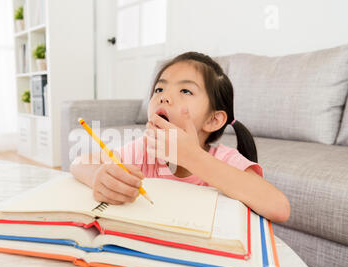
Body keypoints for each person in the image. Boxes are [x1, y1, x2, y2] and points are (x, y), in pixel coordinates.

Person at [70, 52, 290, 223]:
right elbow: (79, 163)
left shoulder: (225, 160)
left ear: (213, 120)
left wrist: (191, 156)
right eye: (159, 90)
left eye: (185, 91)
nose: (164, 97)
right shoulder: (144, 150)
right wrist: (97, 176)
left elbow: (279, 208)